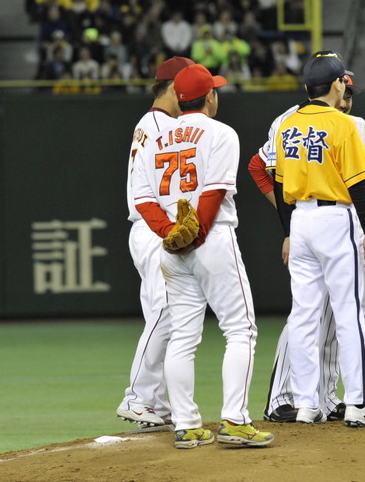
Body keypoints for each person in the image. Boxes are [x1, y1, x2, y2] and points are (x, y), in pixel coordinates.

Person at [132, 63, 273, 449]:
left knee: (182, 336)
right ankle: (236, 421)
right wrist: (195, 234)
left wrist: (171, 234)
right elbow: (213, 193)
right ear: (209, 96)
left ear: (179, 96)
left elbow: (143, 199)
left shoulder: (156, 136)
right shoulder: (222, 133)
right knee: (240, 329)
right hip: (211, 241)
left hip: (171, 246)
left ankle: (186, 424)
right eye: (215, 90)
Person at [248, 67, 365, 423]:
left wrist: (289, 230)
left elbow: (282, 187)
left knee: (303, 314)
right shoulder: (343, 124)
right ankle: (360, 405)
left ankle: (307, 405)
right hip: (336, 219)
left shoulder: (288, 125)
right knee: (349, 313)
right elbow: (359, 186)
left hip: (300, 220)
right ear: (335, 85)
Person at [115, 56, 194, 429]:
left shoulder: (152, 122)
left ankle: (156, 404)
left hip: (152, 229)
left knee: (162, 316)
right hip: (154, 228)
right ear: (176, 87)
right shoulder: (161, 125)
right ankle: (138, 396)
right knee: (165, 312)